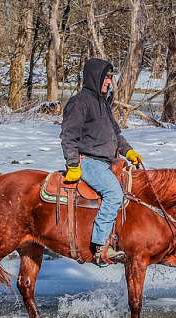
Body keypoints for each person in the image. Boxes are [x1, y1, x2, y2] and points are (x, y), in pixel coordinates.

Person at [60, 58, 142, 266]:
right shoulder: (80, 102)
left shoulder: (103, 104)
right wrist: (72, 165)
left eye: (110, 77)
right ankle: (99, 245)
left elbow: (116, 134)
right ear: (95, 77)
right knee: (114, 194)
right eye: (106, 77)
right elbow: (68, 136)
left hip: (108, 161)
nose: (109, 81)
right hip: (89, 162)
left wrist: (129, 152)